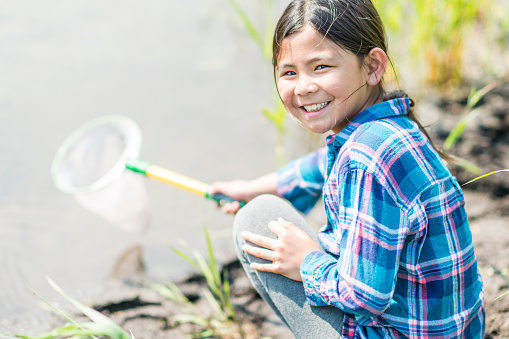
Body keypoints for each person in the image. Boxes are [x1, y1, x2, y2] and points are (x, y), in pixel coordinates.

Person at [209, 0, 485, 337]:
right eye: (289, 72)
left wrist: (307, 261)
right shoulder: (389, 130)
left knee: (256, 217)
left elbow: (365, 297)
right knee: (262, 201)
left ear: (372, 66)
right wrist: (252, 188)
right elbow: (319, 167)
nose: (304, 86)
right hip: (457, 330)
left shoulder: (365, 158)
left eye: (321, 66)